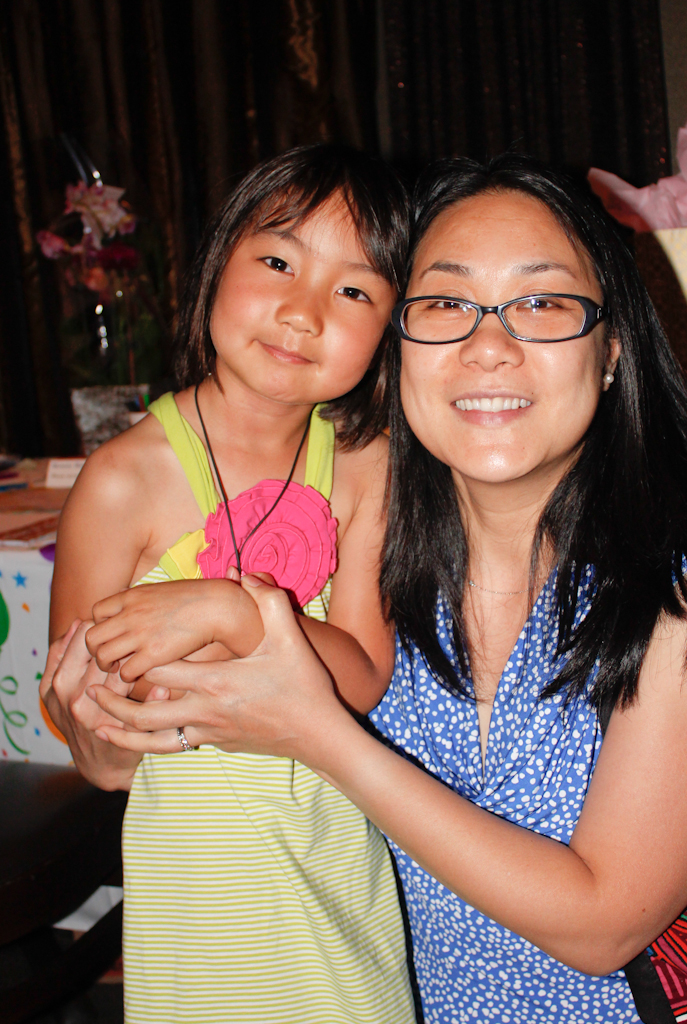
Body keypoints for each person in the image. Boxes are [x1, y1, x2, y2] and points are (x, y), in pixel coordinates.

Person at [46, 155, 687, 1022]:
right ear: (401, 347)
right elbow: (118, 740)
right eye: (445, 303)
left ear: (610, 349)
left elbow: (603, 925)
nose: (489, 345)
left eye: (541, 304)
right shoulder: (391, 538)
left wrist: (319, 732)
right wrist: (109, 742)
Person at [45, 145, 416, 1024]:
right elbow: (73, 701)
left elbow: (363, 672)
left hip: (335, 870)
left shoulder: (365, 466)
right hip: (198, 889)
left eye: (353, 291)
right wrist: (99, 737)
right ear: (217, 262)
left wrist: (230, 611)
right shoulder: (122, 480)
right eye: (279, 262)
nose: (302, 311)